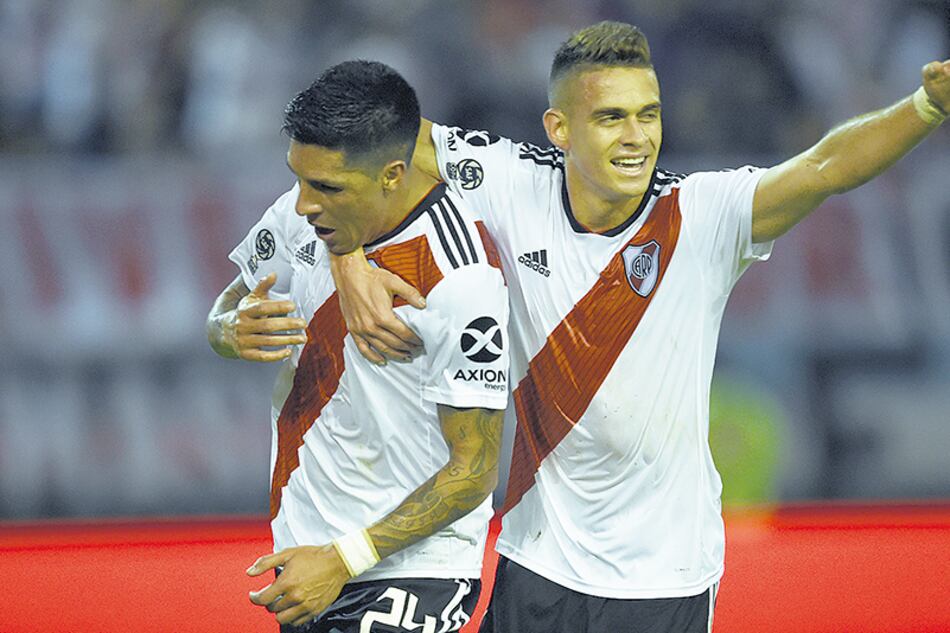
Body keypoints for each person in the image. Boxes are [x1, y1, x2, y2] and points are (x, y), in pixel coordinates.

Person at [327, 21, 950, 633]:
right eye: (611, 118)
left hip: (666, 580)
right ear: (559, 128)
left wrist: (925, 106)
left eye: (648, 115)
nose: (636, 138)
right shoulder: (511, 180)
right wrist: (347, 256)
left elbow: (826, 167)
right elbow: (348, 125)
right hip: (537, 564)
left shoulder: (703, 214)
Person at [206, 60, 510, 632]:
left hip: (407, 573)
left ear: (393, 174)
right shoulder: (316, 219)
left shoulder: (459, 277)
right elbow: (223, 309)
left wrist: (343, 561)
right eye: (297, 178)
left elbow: (475, 470)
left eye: (324, 187)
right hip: (307, 561)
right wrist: (230, 329)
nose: (301, 204)